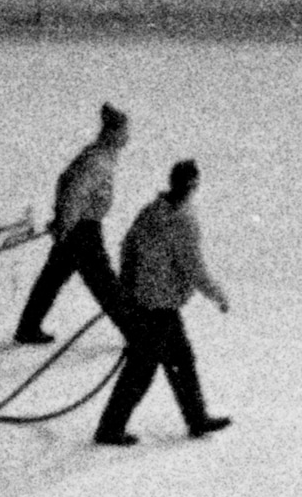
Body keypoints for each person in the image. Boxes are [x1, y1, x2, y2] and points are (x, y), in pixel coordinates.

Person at [95, 160, 234, 447]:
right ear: (193, 186)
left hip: (148, 301)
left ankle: (196, 418)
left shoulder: (151, 210)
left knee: (181, 360)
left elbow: (127, 246)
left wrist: (129, 286)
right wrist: (219, 296)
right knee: (142, 370)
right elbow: (194, 269)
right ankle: (110, 429)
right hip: (160, 305)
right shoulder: (183, 220)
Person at [11, 103, 131, 344]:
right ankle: (137, 336)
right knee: (105, 284)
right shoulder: (98, 160)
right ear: (112, 132)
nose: (127, 137)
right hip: (83, 229)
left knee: (52, 278)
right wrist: (65, 222)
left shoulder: (97, 154)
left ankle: (28, 327)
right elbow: (74, 191)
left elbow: (64, 182)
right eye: (124, 132)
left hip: (76, 225)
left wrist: (62, 220)